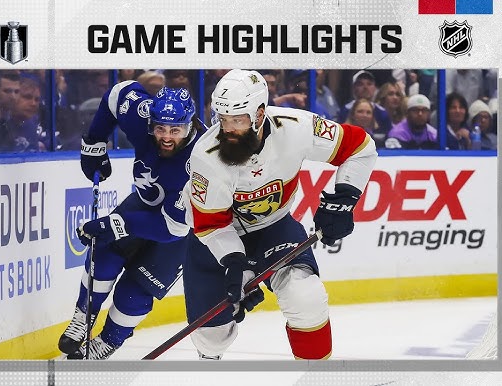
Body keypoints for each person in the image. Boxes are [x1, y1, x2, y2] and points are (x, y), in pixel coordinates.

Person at [183, 69, 377, 360]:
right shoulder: (205, 156)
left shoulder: (297, 126)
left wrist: (345, 198)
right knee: (212, 340)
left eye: (238, 120)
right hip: (214, 239)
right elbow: (210, 224)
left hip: (273, 227)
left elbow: (360, 147)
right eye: (223, 120)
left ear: (260, 114)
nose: (229, 130)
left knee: (306, 296)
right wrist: (235, 264)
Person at [59, 82, 206, 360]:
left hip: (182, 229)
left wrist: (114, 224)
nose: (165, 137)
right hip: (145, 203)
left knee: (135, 291)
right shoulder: (142, 114)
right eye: (160, 128)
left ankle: (108, 341)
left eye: (175, 130)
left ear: (190, 127)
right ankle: (83, 315)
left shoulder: (203, 160)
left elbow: (171, 228)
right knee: (104, 252)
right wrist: (94, 142)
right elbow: (117, 95)